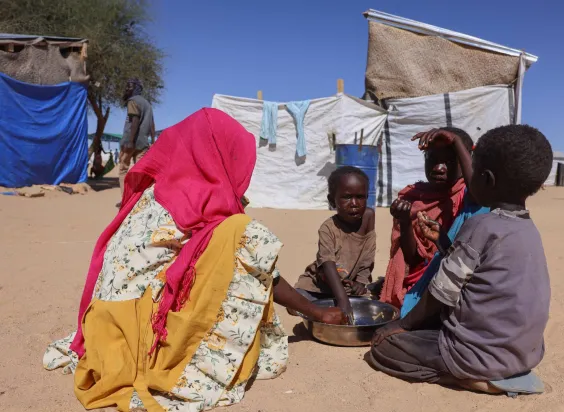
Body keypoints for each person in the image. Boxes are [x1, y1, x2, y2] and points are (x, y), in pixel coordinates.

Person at [43, 108, 345, 411]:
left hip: (106, 324)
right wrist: (315, 312)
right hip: (139, 333)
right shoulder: (199, 201)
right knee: (241, 233)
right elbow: (258, 267)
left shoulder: (160, 190)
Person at [370, 124, 553, 396]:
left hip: (476, 355)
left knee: (382, 349)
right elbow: (478, 270)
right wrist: (443, 241)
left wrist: (400, 326)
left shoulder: (481, 225)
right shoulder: (528, 229)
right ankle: (492, 372)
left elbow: (441, 293)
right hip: (523, 354)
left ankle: (466, 378)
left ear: (487, 179)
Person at [380, 127, 474, 309]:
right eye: (432, 160)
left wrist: (456, 142)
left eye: (449, 161)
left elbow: (479, 192)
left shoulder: (468, 196)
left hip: (459, 281)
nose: (439, 168)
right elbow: (413, 259)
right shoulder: (413, 198)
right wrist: (405, 221)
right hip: (423, 282)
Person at [294, 166, 376, 321]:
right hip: (320, 285)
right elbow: (327, 264)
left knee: (368, 305)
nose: (354, 203)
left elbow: (368, 253)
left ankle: (332, 303)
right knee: (297, 300)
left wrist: (361, 280)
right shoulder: (328, 228)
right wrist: (343, 300)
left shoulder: (368, 217)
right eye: (346, 197)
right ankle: (329, 303)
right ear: (332, 201)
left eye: (360, 197)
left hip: (348, 285)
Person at [117, 78, 155, 207]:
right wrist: (153, 142)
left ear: (137, 88)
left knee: (123, 170)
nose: (127, 88)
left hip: (130, 142)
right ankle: (140, 201)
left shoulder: (133, 101)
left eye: (130, 86)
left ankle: (125, 201)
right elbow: (152, 126)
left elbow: (135, 121)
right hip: (143, 143)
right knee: (141, 174)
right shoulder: (148, 104)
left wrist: (131, 141)